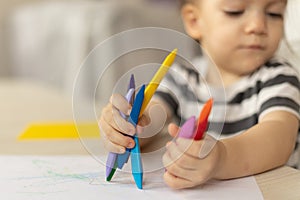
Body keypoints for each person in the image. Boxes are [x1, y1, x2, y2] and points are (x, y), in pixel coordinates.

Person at [100, 0, 300, 189]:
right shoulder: (181, 78)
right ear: (194, 21)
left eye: (274, 13)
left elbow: (279, 137)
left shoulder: (280, 77)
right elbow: (151, 120)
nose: (258, 25)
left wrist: (222, 158)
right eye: (235, 11)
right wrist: (126, 126)